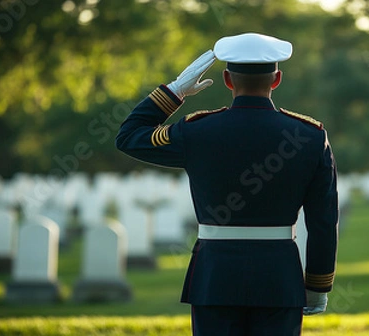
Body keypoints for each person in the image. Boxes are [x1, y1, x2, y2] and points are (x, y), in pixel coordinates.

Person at [116, 32, 338, 336]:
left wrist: (175, 91)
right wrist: (317, 285)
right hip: (279, 278)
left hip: (215, 277)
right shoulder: (310, 136)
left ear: (227, 79)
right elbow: (324, 220)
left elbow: (129, 136)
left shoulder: (198, 132)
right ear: (277, 80)